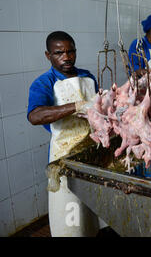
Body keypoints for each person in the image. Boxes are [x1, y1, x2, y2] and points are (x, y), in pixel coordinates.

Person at [27, 31, 101, 237]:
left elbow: (98, 106)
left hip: (92, 149)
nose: (66, 57)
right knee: (72, 213)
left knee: (93, 210)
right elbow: (34, 115)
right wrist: (76, 106)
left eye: (70, 51)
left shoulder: (87, 76)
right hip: (64, 155)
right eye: (59, 53)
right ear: (48, 55)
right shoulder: (43, 83)